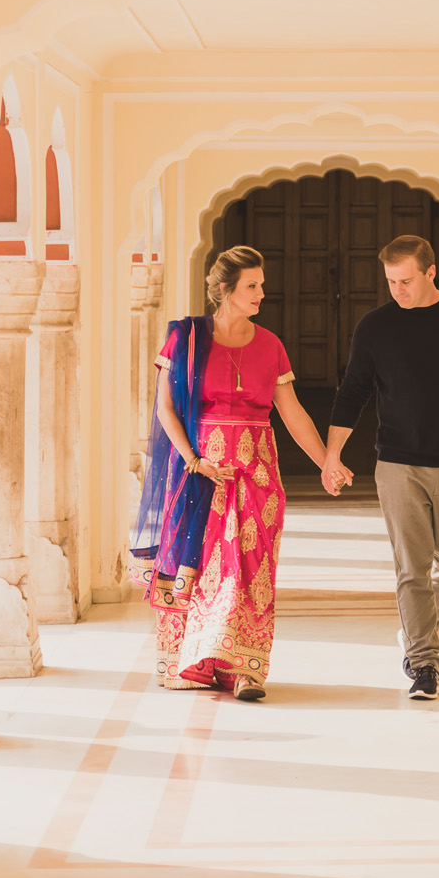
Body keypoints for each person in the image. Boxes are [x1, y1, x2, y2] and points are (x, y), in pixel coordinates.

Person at [130, 245, 349, 700]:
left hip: (257, 474)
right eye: (253, 285)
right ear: (226, 291)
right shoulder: (186, 340)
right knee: (205, 566)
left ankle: (244, 669)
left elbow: (291, 415)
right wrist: (193, 460)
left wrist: (327, 461)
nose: (261, 293)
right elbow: (165, 408)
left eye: (261, 285)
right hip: (199, 472)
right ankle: (193, 661)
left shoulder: (271, 345)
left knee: (249, 569)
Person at [322, 234, 439, 701]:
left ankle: (415, 628)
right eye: (391, 281)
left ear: (431, 272)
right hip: (397, 462)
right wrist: (333, 454)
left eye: (406, 280)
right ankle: (424, 662)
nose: (398, 290)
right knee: (412, 567)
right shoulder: (376, 327)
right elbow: (353, 392)